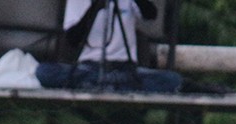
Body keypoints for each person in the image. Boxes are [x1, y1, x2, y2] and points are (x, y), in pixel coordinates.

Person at [35, 0, 182, 93]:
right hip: (89, 68)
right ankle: (110, 86)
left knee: (171, 80)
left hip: (124, 70)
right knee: (45, 72)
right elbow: (73, 39)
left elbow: (150, 14)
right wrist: (94, 7)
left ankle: (104, 85)